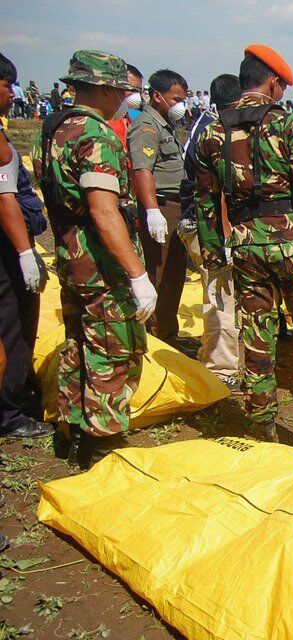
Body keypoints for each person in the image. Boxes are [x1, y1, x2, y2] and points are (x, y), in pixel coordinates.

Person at [194, 44, 293, 458]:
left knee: (256, 339)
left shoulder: (214, 132)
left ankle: (263, 431)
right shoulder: (289, 126)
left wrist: (214, 263)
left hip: (246, 247)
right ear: (272, 83)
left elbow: (208, 205)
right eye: (281, 85)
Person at [33, 50, 156, 468]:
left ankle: (73, 428)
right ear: (104, 88)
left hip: (71, 254)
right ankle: (101, 445)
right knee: (113, 348)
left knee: (79, 344)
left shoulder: (53, 129)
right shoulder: (95, 134)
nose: (125, 98)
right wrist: (137, 275)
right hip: (100, 262)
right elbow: (104, 211)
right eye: (121, 90)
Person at [179, 73, 242, 388]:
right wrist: (224, 237)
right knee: (220, 296)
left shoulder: (205, 128)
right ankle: (221, 370)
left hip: (210, 226)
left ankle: (220, 356)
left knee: (222, 294)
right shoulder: (213, 135)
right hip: (211, 229)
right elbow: (213, 193)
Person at [0, 53, 50, 438]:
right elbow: (4, 198)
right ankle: (10, 411)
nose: (11, 93)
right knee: (13, 325)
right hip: (6, 250)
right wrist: (24, 252)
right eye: (7, 84)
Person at [127, 68, 195, 352]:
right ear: (157, 96)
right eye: (175, 98)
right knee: (159, 273)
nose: (180, 104)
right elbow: (143, 170)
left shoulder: (164, 124)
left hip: (176, 208)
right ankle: (155, 340)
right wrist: (152, 211)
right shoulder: (147, 127)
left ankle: (168, 333)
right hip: (162, 208)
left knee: (174, 274)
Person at [105, 64, 143, 149]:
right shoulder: (104, 119)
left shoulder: (125, 117)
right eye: (131, 89)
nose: (136, 94)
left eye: (139, 90)